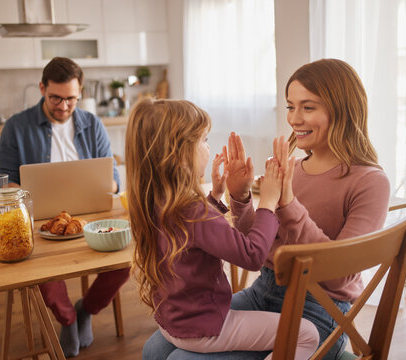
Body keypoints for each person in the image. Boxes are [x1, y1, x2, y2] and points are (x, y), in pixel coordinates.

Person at [142, 58, 391, 360]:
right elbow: (259, 247)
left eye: (308, 107)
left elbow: (339, 276)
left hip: (320, 310)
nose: (294, 119)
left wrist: (287, 203)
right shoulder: (295, 168)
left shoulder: (370, 181)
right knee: (154, 349)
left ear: (342, 110)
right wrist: (241, 196)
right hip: (265, 290)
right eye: (290, 106)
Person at [126, 98, 319, 359]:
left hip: (173, 323)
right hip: (204, 328)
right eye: (204, 140)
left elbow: (192, 235)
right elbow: (251, 256)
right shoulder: (194, 211)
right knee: (307, 334)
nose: (208, 147)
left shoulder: (157, 201)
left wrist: (216, 196)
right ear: (180, 152)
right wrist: (269, 202)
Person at [0, 56, 130, 357]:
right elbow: (3, 180)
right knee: (42, 268)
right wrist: (21, 191)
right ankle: (67, 319)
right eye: (55, 97)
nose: (64, 106)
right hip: (43, 223)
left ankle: (85, 310)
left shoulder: (92, 124)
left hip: (90, 218)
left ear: (80, 93)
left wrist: (106, 182)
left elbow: (115, 179)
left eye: (72, 98)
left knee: (124, 261)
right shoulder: (17, 126)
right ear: (42, 88)